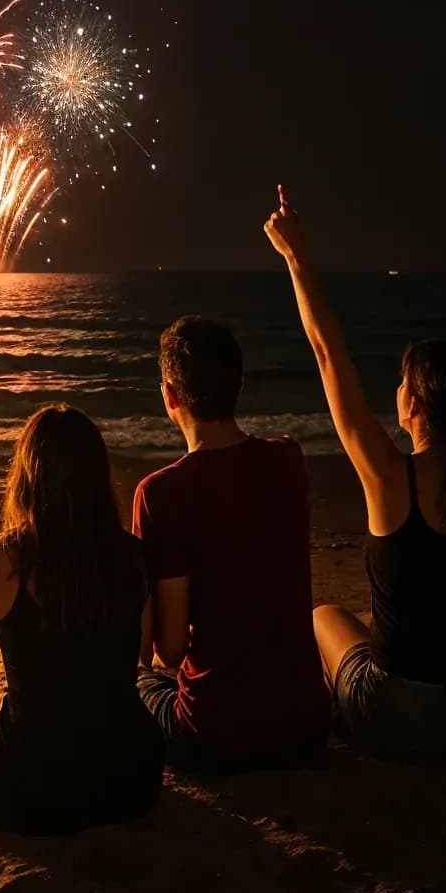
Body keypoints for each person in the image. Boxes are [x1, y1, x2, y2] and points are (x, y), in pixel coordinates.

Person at [264, 188, 446, 759]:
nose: (395, 392)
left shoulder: (389, 476)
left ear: (417, 405)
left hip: (401, 715)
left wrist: (295, 258)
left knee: (326, 615)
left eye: (403, 382)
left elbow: (331, 355)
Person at [0, 405, 163, 835]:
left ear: (27, 477)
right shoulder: (133, 555)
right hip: (131, 783)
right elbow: (137, 662)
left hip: (30, 792)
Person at [132, 315, 330, 770]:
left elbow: (169, 650)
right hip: (306, 727)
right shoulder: (287, 458)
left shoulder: (160, 492)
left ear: (169, 395)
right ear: (239, 385)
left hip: (216, 736)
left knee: (137, 682)